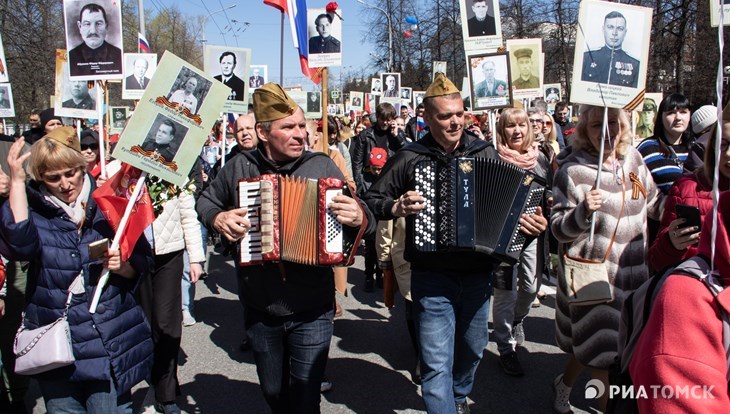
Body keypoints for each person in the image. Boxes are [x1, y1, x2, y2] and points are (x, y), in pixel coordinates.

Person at [363, 74, 547, 414]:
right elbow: (372, 199)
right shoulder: (410, 156)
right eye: (446, 116)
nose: (455, 121)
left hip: (478, 275)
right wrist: (395, 207)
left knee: (473, 349)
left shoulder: (484, 152)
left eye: (459, 114)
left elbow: (510, 211)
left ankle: (459, 397)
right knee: (435, 365)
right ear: (427, 117)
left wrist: (530, 228)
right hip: (431, 276)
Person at [196, 83, 373, 413]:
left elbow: (366, 219)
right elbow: (205, 201)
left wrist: (358, 215)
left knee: (305, 398)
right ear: (263, 133)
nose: (301, 134)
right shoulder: (239, 167)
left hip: (313, 307)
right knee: (275, 393)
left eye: (302, 126)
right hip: (261, 307)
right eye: (288, 127)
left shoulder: (322, 166)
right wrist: (217, 218)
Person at [0, 127, 153, 413]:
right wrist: (18, 184)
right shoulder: (32, 209)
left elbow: (143, 262)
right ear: (40, 178)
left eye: (71, 172)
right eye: (53, 178)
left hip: (103, 338)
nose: (65, 183)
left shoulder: (109, 203)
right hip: (54, 338)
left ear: (82, 166)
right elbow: (19, 245)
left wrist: (122, 267)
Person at [550, 105, 661, 413]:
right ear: (585, 130)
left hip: (633, 274)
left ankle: (564, 383)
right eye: (598, 125)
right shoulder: (572, 172)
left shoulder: (633, 162)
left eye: (614, 123)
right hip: (593, 279)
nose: (608, 131)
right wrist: (582, 211)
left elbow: (649, 200)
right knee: (603, 355)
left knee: (595, 345)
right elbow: (558, 230)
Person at [630, 192, 730, 413]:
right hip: (673, 296)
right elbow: (658, 257)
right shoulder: (686, 187)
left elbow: (649, 202)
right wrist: (671, 243)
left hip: (638, 280)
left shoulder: (632, 167)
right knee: (598, 356)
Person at [491, 108, 552, 377]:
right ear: (501, 130)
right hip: (503, 236)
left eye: (522, 125)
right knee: (505, 293)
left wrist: (549, 202)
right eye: (510, 126)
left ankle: (518, 319)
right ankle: (506, 347)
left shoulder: (541, 159)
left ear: (530, 128)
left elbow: (551, 193)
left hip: (531, 234)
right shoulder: (493, 158)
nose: (517, 131)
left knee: (530, 285)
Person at [648, 103, 730, 273]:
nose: (728, 153)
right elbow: (656, 262)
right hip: (696, 291)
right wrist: (671, 243)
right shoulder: (687, 188)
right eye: (723, 144)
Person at [637, 93, 694, 194]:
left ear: (689, 115)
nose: (678, 117)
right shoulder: (647, 148)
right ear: (661, 117)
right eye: (671, 113)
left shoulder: (696, 148)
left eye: (683, 112)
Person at [351, 102, 406, 199]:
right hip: (369, 180)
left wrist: (397, 136)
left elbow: (406, 153)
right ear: (377, 117)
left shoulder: (397, 133)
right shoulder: (365, 135)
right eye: (382, 119)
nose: (385, 123)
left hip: (389, 180)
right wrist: (359, 184)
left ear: (392, 119)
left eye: (388, 120)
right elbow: (357, 162)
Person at [581, 11, 640, 88]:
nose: (614, 33)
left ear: (625, 33)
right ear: (603, 30)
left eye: (620, 28)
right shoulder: (587, 57)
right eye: (610, 27)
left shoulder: (635, 64)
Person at [68, 3, 123, 77]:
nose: (93, 31)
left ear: (106, 26)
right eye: (87, 24)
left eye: (98, 24)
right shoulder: (70, 58)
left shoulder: (118, 56)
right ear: (80, 26)